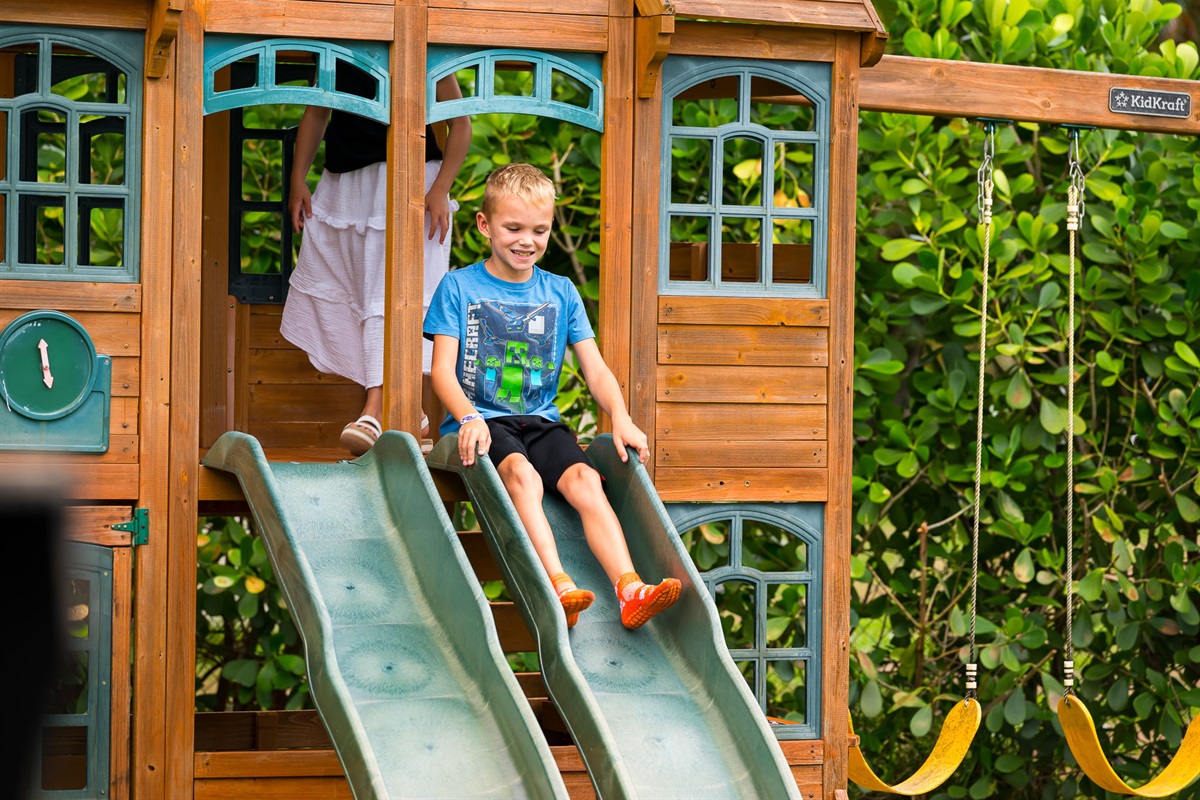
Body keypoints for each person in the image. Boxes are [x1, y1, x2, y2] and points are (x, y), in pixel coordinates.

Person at [423, 163, 681, 630]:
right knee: (522, 475)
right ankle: (558, 586)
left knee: (586, 479)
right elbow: (442, 371)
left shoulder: (560, 292)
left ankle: (629, 589)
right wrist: (467, 417)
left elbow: (595, 368)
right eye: (513, 228)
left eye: (539, 230)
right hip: (483, 422)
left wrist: (620, 416)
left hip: (540, 420)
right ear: (484, 225)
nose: (527, 241)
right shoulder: (459, 287)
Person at [282, 69, 471, 456]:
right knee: (354, 294)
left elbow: (461, 124)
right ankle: (411, 411)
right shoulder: (339, 46)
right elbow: (316, 113)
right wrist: (297, 179)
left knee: (395, 296)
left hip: (411, 184)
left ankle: (375, 408)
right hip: (346, 186)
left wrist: (441, 188)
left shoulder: (427, 54)